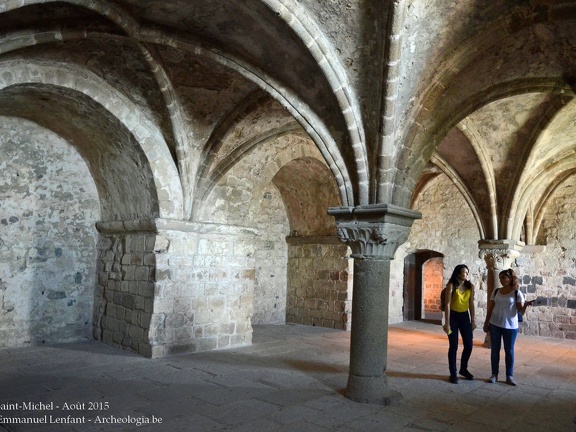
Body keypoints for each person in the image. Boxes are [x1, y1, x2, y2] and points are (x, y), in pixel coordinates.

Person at [483, 268, 533, 385]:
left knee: (509, 351)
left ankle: (509, 376)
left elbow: (520, 312)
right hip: (495, 323)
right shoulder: (496, 292)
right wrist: (486, 322)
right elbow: (490, 308)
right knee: (495, 350)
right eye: (500, 278)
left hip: (510, 326)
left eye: (503, 278)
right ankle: (494, 374)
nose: (501, 280)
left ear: (510, 279)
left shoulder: (516, 293)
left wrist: (525, 305)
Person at [443, 264, 476, 384]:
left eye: (467, 272)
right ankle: (453, 373)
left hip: (464, 317)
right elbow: (447, 304)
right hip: (453, 318)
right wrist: (447, 323)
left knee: (469, 345)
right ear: (458, 273)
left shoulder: (470, 286)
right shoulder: (451, 285)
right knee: (454, 346)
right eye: (464, 272)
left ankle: (463, 369)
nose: (466, 274)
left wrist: (473, 320)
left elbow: (471, 304)